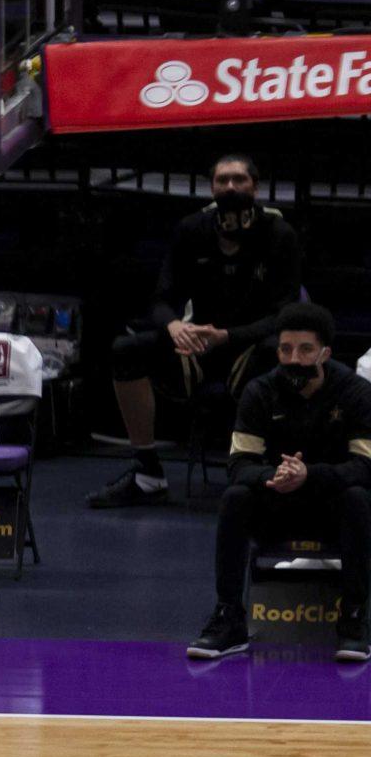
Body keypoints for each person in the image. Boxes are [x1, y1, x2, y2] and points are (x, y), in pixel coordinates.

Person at [88, 154, 303, 509]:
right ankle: (147, 474)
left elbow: (286, 313)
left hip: (249, 345)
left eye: (239, 179)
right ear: (212, 187)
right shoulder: (191, 229)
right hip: (197, 348)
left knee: (278, 351)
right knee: (126, 350)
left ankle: (266, 474)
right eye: (222, 180)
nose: (230, 186)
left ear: (255, 187)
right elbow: (161, 299)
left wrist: (229, 336)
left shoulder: (279, 234)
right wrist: (174, 325)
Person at [189, 303, 371, 663]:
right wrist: (274, 475)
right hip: (278, 503)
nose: (293, 359)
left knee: (358, 497)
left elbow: (365, 466)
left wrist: (311, 475)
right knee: (236, 496)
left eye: (305, 350)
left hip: (330, 509)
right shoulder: (259, 392)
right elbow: (239, 464)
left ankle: (353, 620)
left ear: (325, 353)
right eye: (286, 349)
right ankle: (229, 618)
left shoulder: (355, 393)